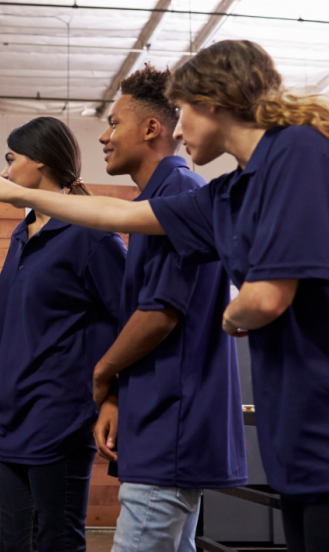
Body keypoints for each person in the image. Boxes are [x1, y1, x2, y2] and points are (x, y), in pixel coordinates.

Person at [0, 40, 329, 552]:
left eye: (186, 113)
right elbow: (122, 217)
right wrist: (21, 194)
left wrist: (230, 314)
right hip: (303, 438)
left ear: (214, 102)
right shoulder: (227, 193)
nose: (177, 130)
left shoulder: (299, 150)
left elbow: (265, 298)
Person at [88, 66, 246, 552]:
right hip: (157, 417)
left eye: (114, 123)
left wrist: (103, 372)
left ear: (151, 128)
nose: (104, 136)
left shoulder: (179, 193)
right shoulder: (158, 197)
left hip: (172, 422)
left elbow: (161, 313)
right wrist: (117, 395)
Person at [0, 117, 126, 552]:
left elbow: (132, 322)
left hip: (62, 419)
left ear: (41, 162)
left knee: (57, 541)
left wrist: (114, 397)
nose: (7, 172)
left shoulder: (92, 236)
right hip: (11, 419)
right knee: (14, 542)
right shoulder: (21, 234)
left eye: (12, 160)